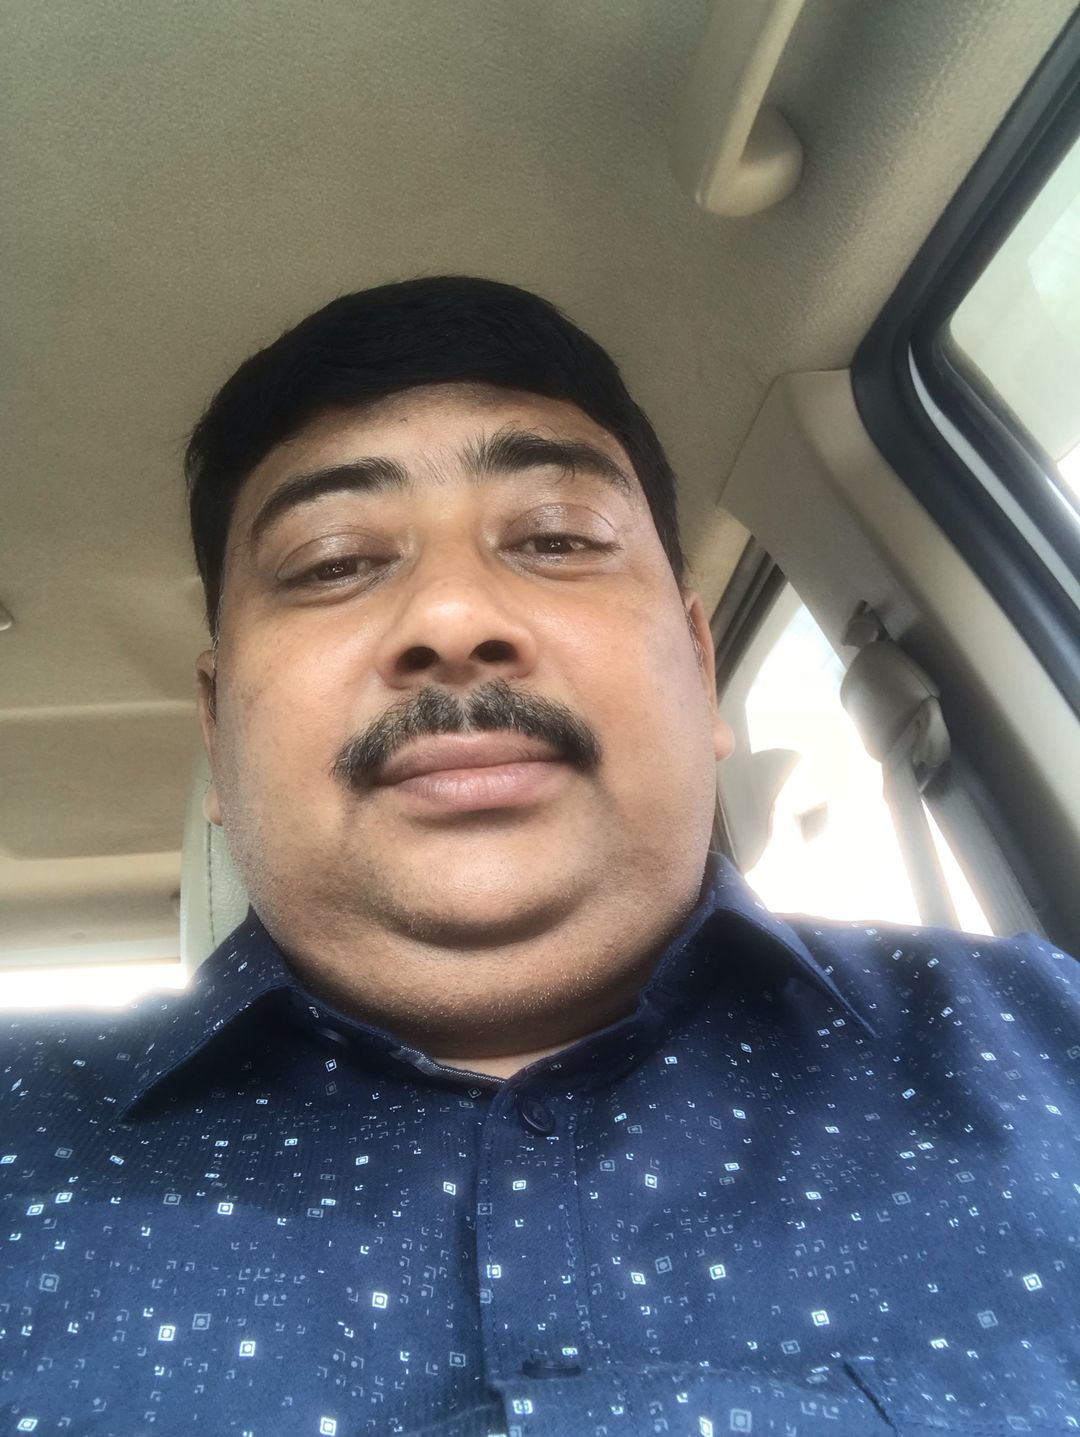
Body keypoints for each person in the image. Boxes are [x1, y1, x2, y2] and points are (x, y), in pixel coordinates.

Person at [3, 277, 1078, 1437]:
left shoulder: (1045, 1046)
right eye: (330, 561)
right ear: (218, 732)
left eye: (558, 537)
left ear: (701, 667)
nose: (453, 617)